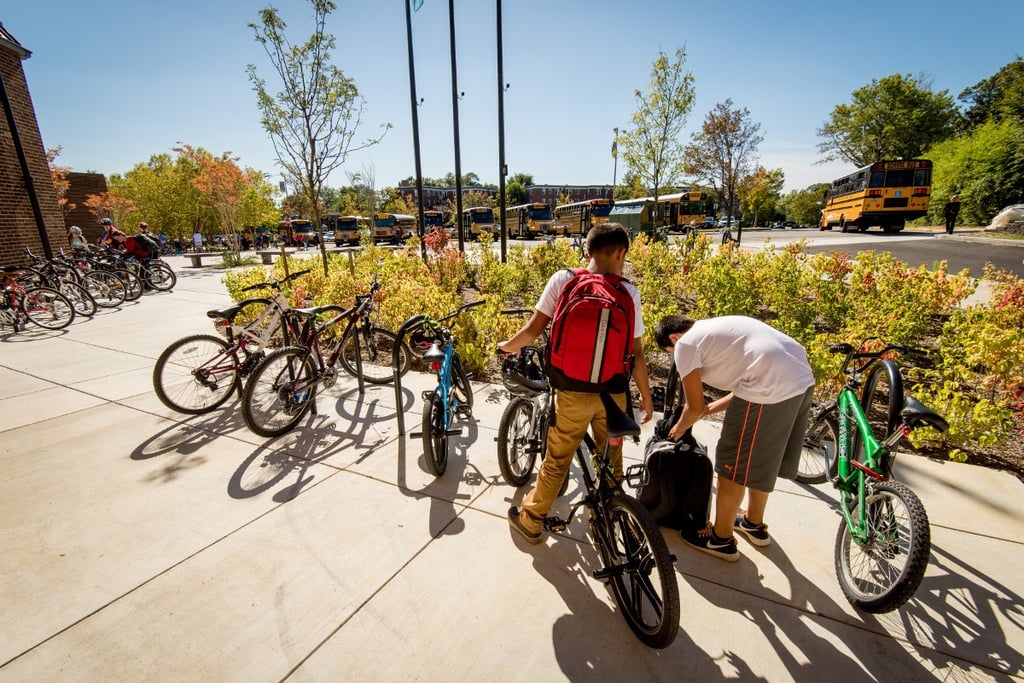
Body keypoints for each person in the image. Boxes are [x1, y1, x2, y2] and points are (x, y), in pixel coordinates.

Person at [498, 222, 655, 544]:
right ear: (621, 252)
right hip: (613, 392)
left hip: (571, 391)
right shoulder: (628, 291)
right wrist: (646, 396)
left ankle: (531, 520)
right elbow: (636, 351)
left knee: (557, 459)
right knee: (610, 458)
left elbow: (532, 330)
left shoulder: (565, 279)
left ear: (588, 251)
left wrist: (506, 348)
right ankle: (608, 515)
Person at [653, 314, 815, 561]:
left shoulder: (684, 345)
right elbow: (740, 390)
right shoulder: (718, 329)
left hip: (769, 383)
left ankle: (720, 539)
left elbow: (693, 408)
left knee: (733, 462)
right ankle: (753, 522)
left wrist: (678, 429)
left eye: (669, 352)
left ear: (673, 338)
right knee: (761, 459)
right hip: (800, 380)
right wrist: (707, 410)